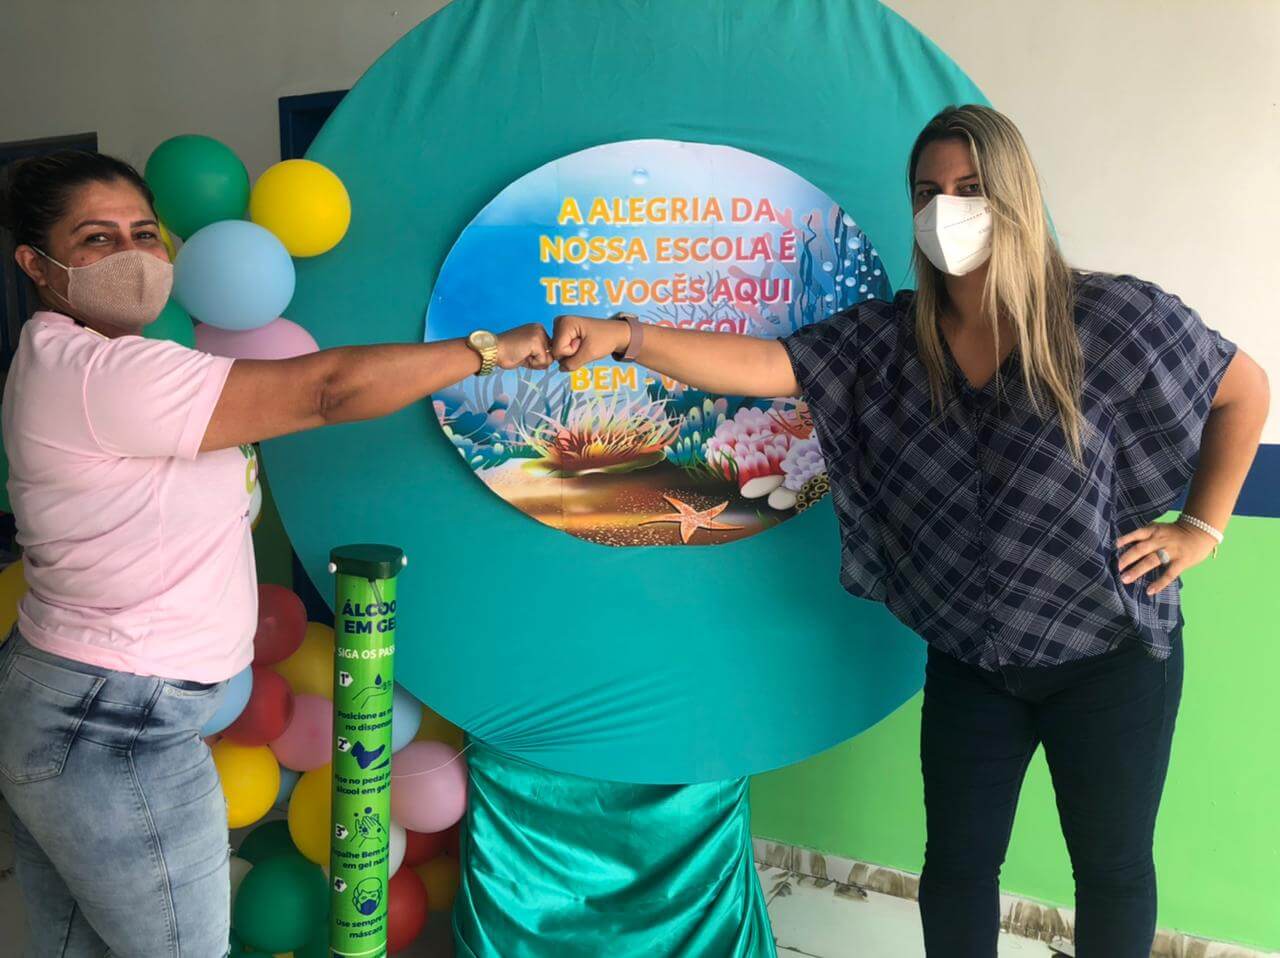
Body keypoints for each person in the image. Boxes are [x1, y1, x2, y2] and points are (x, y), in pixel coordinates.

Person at [550, 105, 1270, 957]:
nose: (944, 210)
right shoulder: (891, 342)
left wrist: (1202, 527)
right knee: (958, 867)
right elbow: (766, 365)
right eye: (927, 192)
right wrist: (626, 337)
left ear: (1016, 196)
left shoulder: (1110, 319)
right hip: (971, 658)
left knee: (1111, 871)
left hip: (1107, 653)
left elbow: (1244, 388)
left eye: (970, 188)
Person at [0, 150, 552, 958]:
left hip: (76, 701)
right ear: (36, 265)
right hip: (114, 725)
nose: (131, 255)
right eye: (96, 239)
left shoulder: (76, 359)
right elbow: (327, 390)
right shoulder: (99, 372)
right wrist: (490, 351)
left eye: (144, 234)